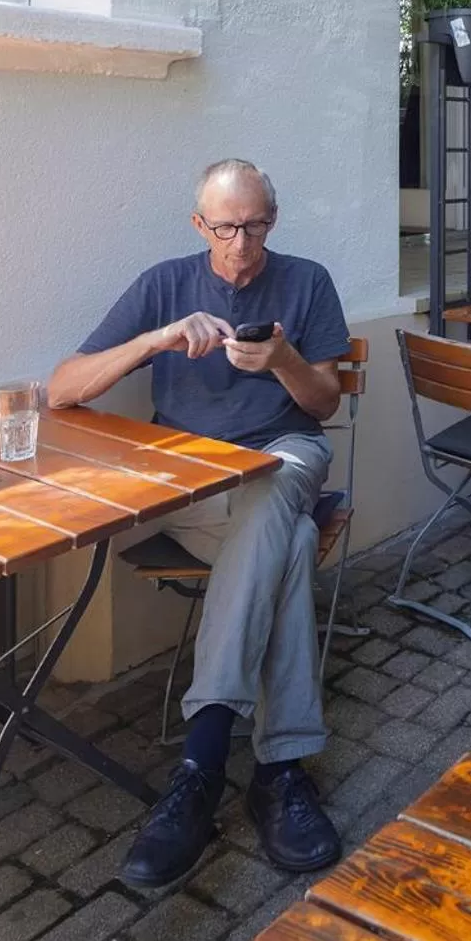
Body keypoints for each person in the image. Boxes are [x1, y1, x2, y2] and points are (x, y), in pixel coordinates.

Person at [49, 159, 348, 890]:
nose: (241, 244)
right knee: (292, 538)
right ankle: (279, 771)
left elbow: (325, 406)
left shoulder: (306, 281)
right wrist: (155, 340)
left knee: (272, 487)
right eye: (225, 228)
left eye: (254, 226)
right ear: (198, 225)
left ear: (271, 222)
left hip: (287, 455)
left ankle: (201, 764)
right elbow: (61, 389)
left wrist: (281, 361)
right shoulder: (164, 283)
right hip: (193, 481)